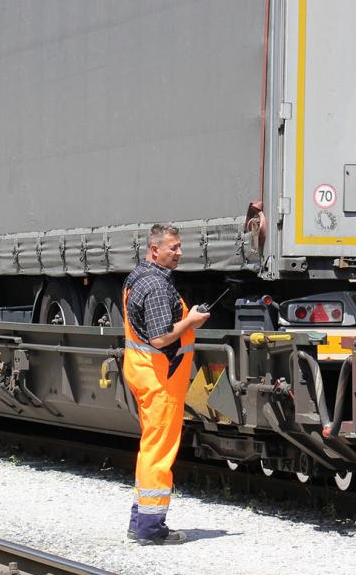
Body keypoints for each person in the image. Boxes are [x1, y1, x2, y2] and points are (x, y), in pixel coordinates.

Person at [122, 223, 210, 545]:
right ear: (154, 249)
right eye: (173, 247)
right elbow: (160, 338)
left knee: (150, 448)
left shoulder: (137, 277)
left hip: (145, 373)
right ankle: (150, 529)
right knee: (158, 453)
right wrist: (192, 321)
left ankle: (139, 522)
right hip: (161, 379)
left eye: (179, 246)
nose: (179, 252)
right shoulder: (158, 286)